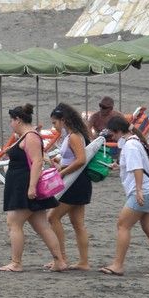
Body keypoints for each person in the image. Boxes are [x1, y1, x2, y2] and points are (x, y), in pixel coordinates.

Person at [0, 103, 68, 272]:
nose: (10, 123)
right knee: (41, 225)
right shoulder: (26, 135)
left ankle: (16, 263)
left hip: (25, 185)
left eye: (11, 120)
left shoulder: (30, 137)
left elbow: (37, 161)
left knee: (14, 223)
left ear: (18, 120)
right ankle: (59, 261)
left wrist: (31, 187)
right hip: (21, 183)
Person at [100, 116, 149, 276]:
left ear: (119, 131)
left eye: (112, 132)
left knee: (123, 225)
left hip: (144, 192)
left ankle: (118, 265)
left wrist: (138, 190)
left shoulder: (131, 146)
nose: (111, 136)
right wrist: (119, 166)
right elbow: (135, 165)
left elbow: (137, 169)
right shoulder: (134, 141)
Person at [46, 104, 93, 271]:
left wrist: (62, 172)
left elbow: (80, 160)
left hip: (75, 182)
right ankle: (83, 262)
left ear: (63, 120)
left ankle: (61, 258)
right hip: (79, 181)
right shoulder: (77, 135)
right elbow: (75, 159)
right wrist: (60, 166)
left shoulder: (74, 136)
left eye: (55, 123)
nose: (54, 127)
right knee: (77, 223)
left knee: (53, 217)